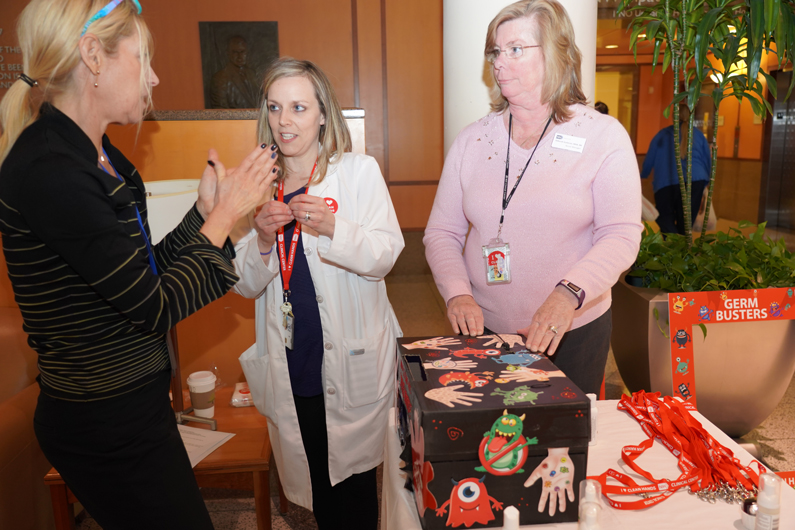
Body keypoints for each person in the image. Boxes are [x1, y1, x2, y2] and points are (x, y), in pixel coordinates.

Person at [0, 1, 277, 528]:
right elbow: (154, 307)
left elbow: (140, 276)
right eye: (142, 57)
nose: (153, 75)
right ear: (93, 56)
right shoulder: (50, 170)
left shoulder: (99, 156)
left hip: (132, 406)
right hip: (100, 420)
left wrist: (202, 216)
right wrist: (225, 215)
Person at [423, 0, 642, 395]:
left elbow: (621, 234)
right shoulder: (472, 139)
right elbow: (442, 232)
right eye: (495, 51)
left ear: (557, 54)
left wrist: (567, 294)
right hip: (483, 330)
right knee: (493, 448)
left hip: (571, 329)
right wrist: (457, 292)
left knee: (559, 450)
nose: (499, 61)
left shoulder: (602, 136)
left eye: (515, 49)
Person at [233, 57, 404, 530]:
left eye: (299, 107)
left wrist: (334, 229)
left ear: (324, 114)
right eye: (274, 107)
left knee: (354, 492)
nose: (285, 121)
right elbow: (243, 282)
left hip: (352, 361)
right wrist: (264, 242)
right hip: (293, 360)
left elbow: (386, 254)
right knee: (318, 488)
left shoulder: (357, 173)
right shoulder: (258, 185)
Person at [641, 102, 711, 234]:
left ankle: (673, 245)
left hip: (666, 182)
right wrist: (706, 182)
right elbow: (707, 160)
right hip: (695, 181)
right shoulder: (698, 135)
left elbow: (650, 157)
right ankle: (682, 248)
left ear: (673, 116)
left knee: (664, 217)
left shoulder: (662, 135)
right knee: (686, 222)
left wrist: (643, 175)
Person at [210, 35, 262, 109]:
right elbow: (221, 111)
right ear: (228, 53)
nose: (239, 56)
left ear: (247, 52)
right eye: (235, 52)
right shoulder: (219, 78)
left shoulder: (252, 74)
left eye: (242, 52)